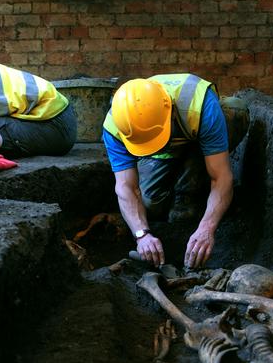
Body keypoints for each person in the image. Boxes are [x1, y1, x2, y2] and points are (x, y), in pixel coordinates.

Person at [102, 74, 249, 269]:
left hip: (196, 134)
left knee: (233, 111)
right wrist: (141, 235)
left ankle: (196, 189)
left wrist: (207, 228)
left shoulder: (200, 106)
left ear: (169, 110)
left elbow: (221, 177)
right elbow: (126, 186)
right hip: (162, 152)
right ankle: (177, 173)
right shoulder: (116, 125)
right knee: (149, 205)